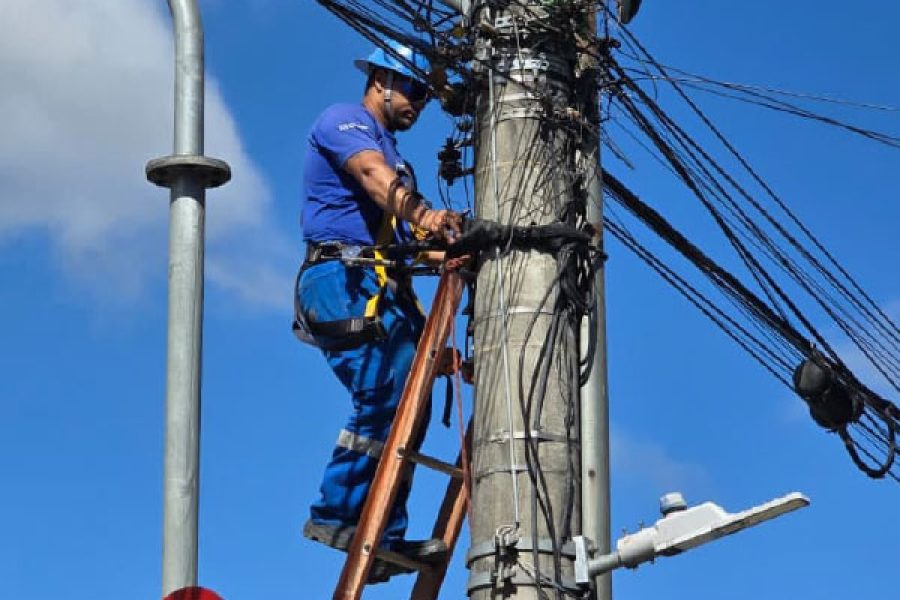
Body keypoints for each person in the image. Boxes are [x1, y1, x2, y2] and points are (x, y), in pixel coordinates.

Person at [295, 40, 463, 581]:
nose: (418, 102)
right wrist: (425, 214)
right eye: (411, 89)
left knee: (409, 396)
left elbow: (417, 235)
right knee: (383, 391)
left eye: (424, 96)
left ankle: (381, 532)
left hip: (379, 282)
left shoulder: (401, 163)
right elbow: (371, 177)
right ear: (380, 83)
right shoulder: (344, 122)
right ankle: (338, 513)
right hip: (339, 276)